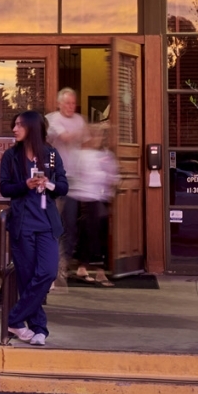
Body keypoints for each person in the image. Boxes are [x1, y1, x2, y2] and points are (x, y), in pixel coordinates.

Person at [0, 109, 67, 346]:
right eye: (14, 124)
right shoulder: (11, 156)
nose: (14, 129)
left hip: (46, 224)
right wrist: (25, 184)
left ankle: (14, 319)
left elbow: (63, 187)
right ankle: (39, 329)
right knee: (27, 279)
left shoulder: (50, 155)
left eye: (19, 125)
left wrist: (48, 184)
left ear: (32, 128)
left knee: (47, 272)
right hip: (22, 225)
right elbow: (5, 188)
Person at [63, 110, 118, 285]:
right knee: (87, 234)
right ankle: (87, 269)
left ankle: (91, 269)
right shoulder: (78, 155)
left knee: (97, 235)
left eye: (99, 136)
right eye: (93, 135)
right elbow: (71, 176)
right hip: (82, 200)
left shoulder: (105, 155)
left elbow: (113, 176)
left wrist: (110, 190)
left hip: (98, 199)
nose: (95, 139)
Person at [45, 88, 89, 276]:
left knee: (71, 223)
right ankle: (50, 263)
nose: (71, 106)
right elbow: (65, 137)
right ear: (59, 104)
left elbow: (87, 143)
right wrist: (87, 132)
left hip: (75, 179)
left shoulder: (79, 120)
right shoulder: (52, 119)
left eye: (73, 103)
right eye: (67, 103)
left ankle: (64, 263)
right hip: (55, 178)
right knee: (52, 222)